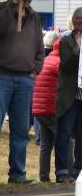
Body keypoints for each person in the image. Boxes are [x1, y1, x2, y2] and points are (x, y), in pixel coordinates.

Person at [0, 0, 45, 187]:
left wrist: (36, 69)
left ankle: (18, 173)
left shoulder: (34, 18)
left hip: (24, 78)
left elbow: (39, 47)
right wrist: (13, 5)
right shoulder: (0, 9)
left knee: (21, 130)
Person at [57, 8, 82, 180]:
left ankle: (79, 169)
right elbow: (65, 64)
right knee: (64, 133)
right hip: (70, 96)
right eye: (77, 19)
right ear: (73, 21)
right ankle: (62, 170)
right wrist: (78, 47)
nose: (80, 21)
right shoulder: (66, 40)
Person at [32, 36, 62, 182]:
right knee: (64, 140)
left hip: (39, 108)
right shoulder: (59, 63)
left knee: (46, 143)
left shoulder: (46, 60)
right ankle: (64, 173)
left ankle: (43, 176)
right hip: (51, 107)